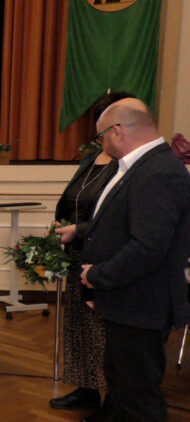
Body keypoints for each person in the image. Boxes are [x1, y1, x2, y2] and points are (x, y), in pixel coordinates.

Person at [80, 98, 190, 421]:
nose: (100, 144)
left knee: (139, 401)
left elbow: (148, 248)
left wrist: (97, 276)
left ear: (117, 131)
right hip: (127, 302)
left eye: (100, 136)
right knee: (123, 390)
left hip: (141, 305)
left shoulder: (157, 172)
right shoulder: (143, 167)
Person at [48, 92, 134, 412]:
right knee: (79, 326)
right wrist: (60, 223)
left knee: (103, 333)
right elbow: (75, 196)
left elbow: (118, 219)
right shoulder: (91, 158)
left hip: (105, 257)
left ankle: (112, 398)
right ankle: (86, 388)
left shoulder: (128, 165)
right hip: (78, 254)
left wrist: (80, 230)